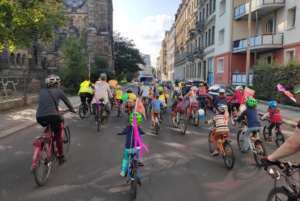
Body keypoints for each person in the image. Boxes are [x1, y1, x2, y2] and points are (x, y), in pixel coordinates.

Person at [36, 75, 76, 166]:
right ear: (56, 83)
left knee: (48, 126)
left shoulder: (42, 91)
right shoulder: (59, 91)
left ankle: (45, 139)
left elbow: (45, 104)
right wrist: (72, 109)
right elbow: (67, 102)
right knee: (58, 136)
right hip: (53, 116)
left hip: (39, 117)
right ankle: (61, 157)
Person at [118, 112, 145, 177]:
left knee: (126, 159)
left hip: (128, 149)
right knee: (140, 147)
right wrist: (142, 133)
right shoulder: (139, 129)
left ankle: (123, 171)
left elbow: (122, 132)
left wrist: (120, 133)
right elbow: (143, 133)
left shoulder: (127, 128)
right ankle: (140, 159)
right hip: (137, 148)